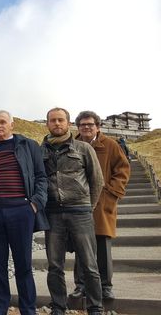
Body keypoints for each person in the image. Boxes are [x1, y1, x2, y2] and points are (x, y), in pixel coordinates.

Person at [0, 110, 48, 315]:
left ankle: (28, 310)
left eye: (3, 122)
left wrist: (35, 204)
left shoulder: (28, 145)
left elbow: (41, 177)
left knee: (23, 264)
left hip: (22, 210)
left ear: (12, 125)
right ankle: (0, 310)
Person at [41, 108, 104, 315]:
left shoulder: (84, 148)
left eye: (61, 120)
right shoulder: (40, 150)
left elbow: (97, 181)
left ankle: (95, 307)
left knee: (89, 264)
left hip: (80, 212)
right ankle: (58, 306)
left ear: (68, 123)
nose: (57, 123)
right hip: (53, 214)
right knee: (55, 266)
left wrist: (88, 207)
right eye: (53, 120)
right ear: (47, 124)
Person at [69, 111, 130, 300]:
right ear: (77, 127)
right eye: (82, 125)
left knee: (102, 247)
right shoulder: (72, 144)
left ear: (97, 126)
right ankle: (81, 286)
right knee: (81, 247)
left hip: (102, 203)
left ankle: (105, 286)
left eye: (90, 124)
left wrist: (111, 194)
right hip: (78, 204)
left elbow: (123, 170)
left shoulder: (110, 145)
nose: (86, 127)